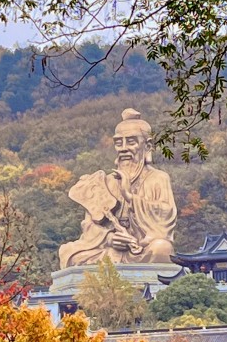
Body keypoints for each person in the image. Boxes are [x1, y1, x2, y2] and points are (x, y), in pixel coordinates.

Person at [59, 109, 177, 268]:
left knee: (162, 249)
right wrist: (109, 238)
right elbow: (88, 225)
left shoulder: (158, 178)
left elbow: (165, 215)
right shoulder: (104, 182)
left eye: (131, 141)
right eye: (119, 143)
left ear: (148, 145)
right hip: (108, 250)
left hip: (141, 249)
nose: (123, 149)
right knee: (68, 253)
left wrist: (130, 197)